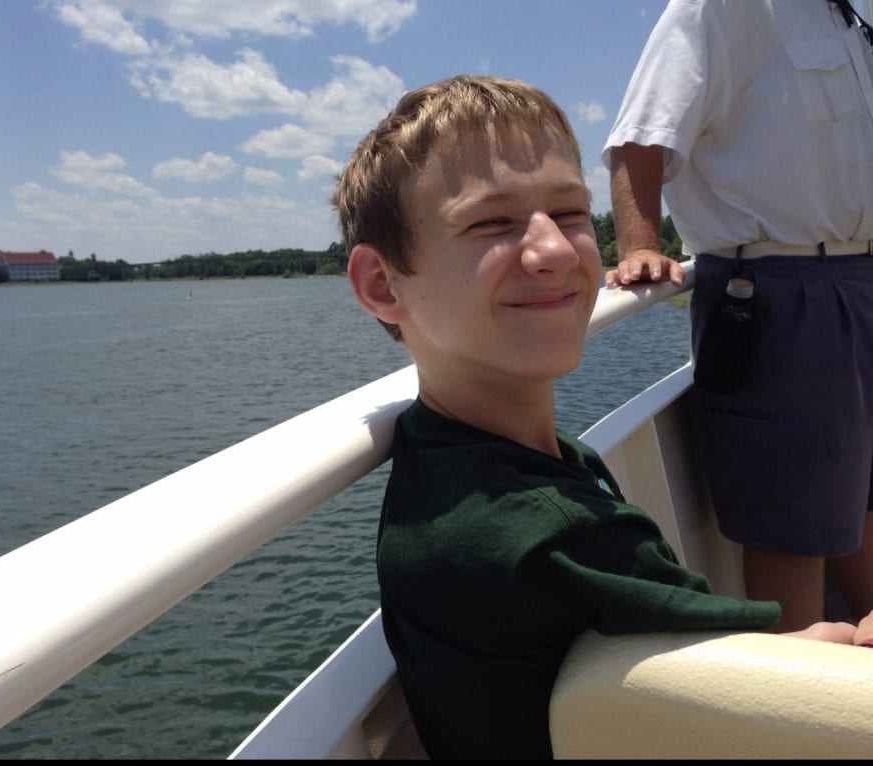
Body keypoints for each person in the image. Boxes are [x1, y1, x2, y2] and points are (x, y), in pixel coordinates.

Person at [333, 74, 868, 760]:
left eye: (570, 213)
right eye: (491, 222)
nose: (555, 250)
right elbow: (796, 669)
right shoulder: (542, 534)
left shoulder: (446, 458)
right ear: (383, 285)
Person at [602, 0, 873, 633]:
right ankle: (796, 698)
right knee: (789, 523)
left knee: (862, 492)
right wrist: (640, 245)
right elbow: (641, 137)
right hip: (779, 288)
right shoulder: (723, 6)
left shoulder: (846, 20)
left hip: (860, 281)